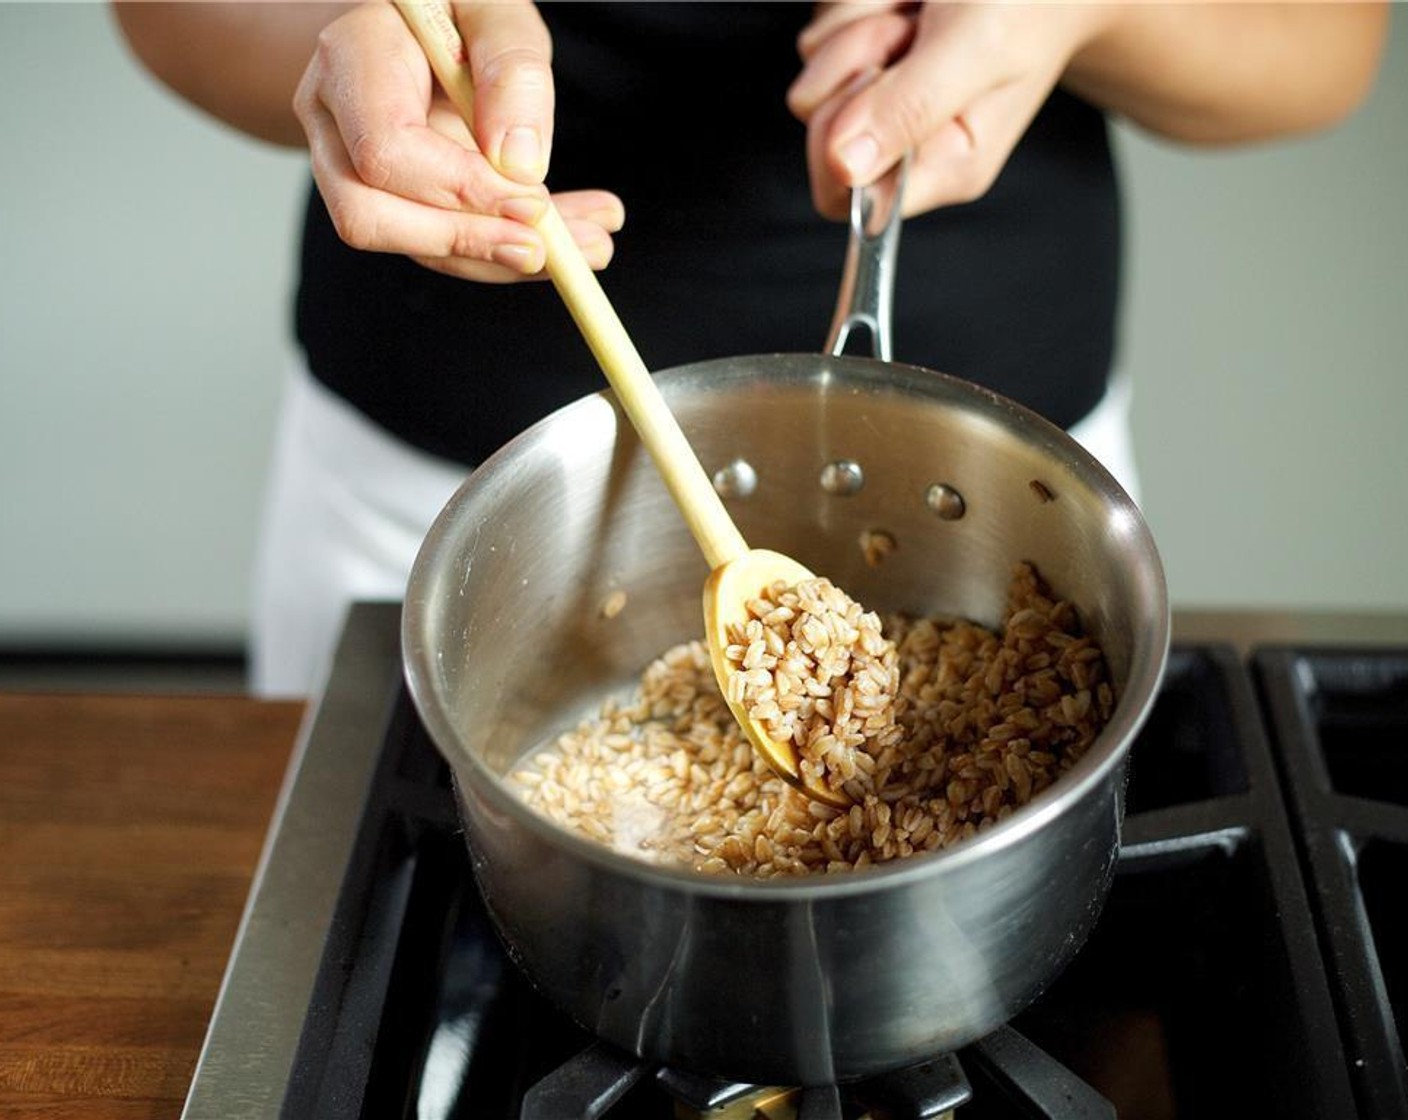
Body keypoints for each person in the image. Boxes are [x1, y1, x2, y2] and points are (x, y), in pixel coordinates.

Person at [112, 1, 1389, 698]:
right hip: (428, 486)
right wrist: (346, 40)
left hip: (1011, 482)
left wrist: (1083, 12)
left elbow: (1329, 41)